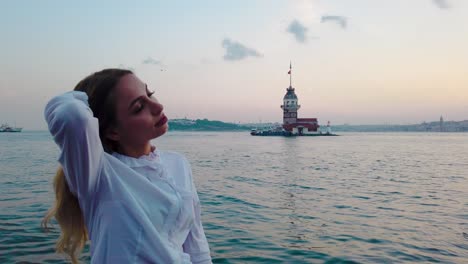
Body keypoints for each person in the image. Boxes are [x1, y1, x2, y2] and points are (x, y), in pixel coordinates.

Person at [42, 69, 212, 263]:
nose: (158, 106)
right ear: (113, 131)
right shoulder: (98, 174)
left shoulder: (178, 163)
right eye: (139, 107)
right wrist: (92, 92)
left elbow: (197, 247)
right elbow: (71, 116)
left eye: (149, 94)